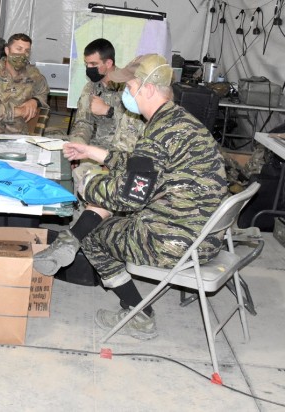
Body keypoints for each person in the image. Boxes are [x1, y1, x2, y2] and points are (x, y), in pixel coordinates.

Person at [34, 54, 228, 340]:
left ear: (147, 89)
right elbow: (142, 164)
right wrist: (93, 152)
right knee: (108, 196)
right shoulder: (181, 121)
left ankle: (139, 313)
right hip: (206, 235)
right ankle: (69, 240)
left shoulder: (158, 133)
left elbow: (129, 198)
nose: (125, 93)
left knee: (95, 232)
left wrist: (87, 184)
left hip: (174, 242)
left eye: (130, 87)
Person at [69, 38, 143, 152]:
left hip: (123, 152)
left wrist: (109, 111)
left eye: (93, 64)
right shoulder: (91, 87)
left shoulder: (130, 85)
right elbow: (83, 123)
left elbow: (140, 125)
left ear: (108, 63)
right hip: (96, 147)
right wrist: (78, 145)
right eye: (86, 63)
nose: (89, 68)